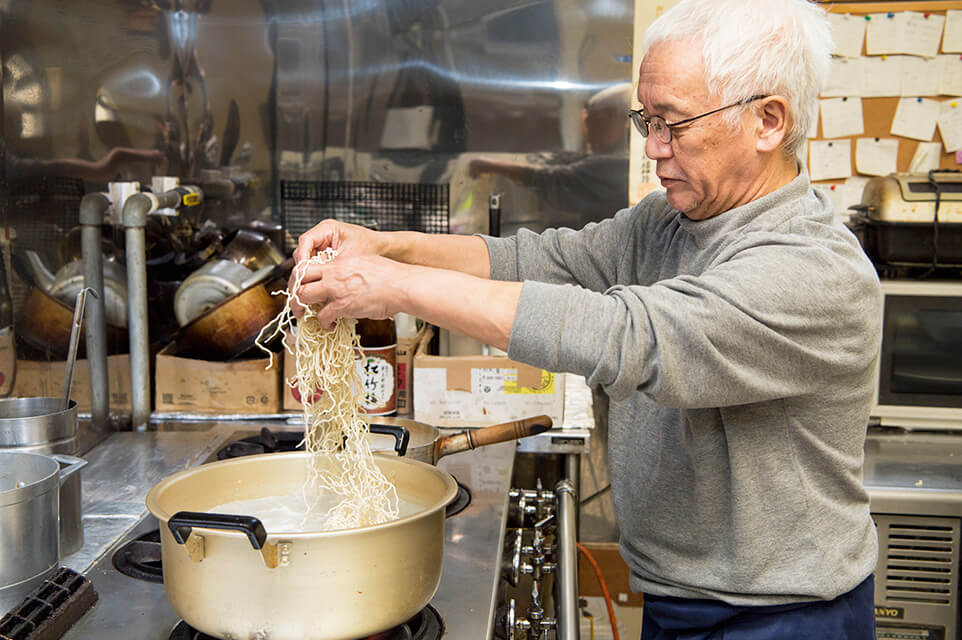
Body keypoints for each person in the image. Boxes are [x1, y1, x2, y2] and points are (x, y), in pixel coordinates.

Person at [291, 0, 882, 637]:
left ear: (767, 121)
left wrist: (400, 287)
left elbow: (629, 337)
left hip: (781, 616)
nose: (653, 149)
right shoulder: (669, 222)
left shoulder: (813, 269)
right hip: (678, 596)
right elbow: (542, 260)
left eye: (673, 124)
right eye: (646, 120)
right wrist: (387, 247)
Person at [468, 82, 632, 229]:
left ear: (611, 116)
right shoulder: (619, 156)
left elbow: (556, 180)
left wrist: (488, 164)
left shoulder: (618, 163)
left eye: (592, 124)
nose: (588, 137)